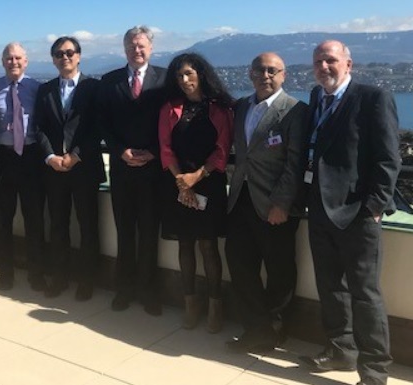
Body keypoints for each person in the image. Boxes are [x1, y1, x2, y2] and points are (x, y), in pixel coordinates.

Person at [299, 40, 400, 385]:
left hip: (358, 215)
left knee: (365, 294)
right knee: (330, 288)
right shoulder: (316, 97)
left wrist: (374, 207)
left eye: (330, 60)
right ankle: (340, 350)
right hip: (320, 211)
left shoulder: (373, 98)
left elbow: (389, 159)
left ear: (348, 64)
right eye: (317, 62)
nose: (323, 67)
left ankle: (374, 373)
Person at [225, 52, 308, 352]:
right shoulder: (242, 106)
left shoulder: (295, 111)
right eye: (260, 70)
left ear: (284, 75)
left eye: (273, 70)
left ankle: (276, 328)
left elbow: (295, 163)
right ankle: (256, 328)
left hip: (275, 204)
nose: (266, 75)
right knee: (239, 264)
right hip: (240, 200)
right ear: (250, 74)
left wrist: (282, 203)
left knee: (280, 268)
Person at [157, 52, 233, 333]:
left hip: (209, 183)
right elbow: (165, 148)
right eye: (179, 75)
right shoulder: (169, 108)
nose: (185, 80)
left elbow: (223, 150)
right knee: (185, 244)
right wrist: (181, 180)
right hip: (177, 184)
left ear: (201, 74)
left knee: (209, 246)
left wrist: (196, 177)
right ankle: (191, 303)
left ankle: (216, 305)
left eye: (189, 73)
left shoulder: (220, 109)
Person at [97, 26, 166, 314]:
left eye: (141, 46)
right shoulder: (109, 81)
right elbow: (103, 122)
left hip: (153, 170)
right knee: (125, 232)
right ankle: (123, 289)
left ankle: (148, 291)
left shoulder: (165, 79)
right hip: (123, 169)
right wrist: (119, 150)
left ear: (151, 48)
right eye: (131, 46)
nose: (136, 50)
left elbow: (171, 124)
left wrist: (154, 152)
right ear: (124, 49)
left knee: (150, 234)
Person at [34, 36, 103, 300]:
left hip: (83, 168)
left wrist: (75, 155)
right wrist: (50, 156)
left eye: (70, 53)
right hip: (54, 170)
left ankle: (88, 281)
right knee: (58, 225)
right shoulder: (45, 90)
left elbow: (97, 127)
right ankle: (59, 277)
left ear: (79, 56)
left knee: (88, 226)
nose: (65, 57)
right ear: (53, 59)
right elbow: (38, 128)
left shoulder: (94, 88)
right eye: (60, 54)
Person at [0, 43, 45, 291]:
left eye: (18, 58)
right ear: (2, 61)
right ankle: (6, 272)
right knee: (2, 219)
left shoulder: (38, 89)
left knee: (35, 218)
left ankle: (37, 273)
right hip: (3, 159)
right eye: (9, 58)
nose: (14, 62)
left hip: (31, 158)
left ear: (26, 60)